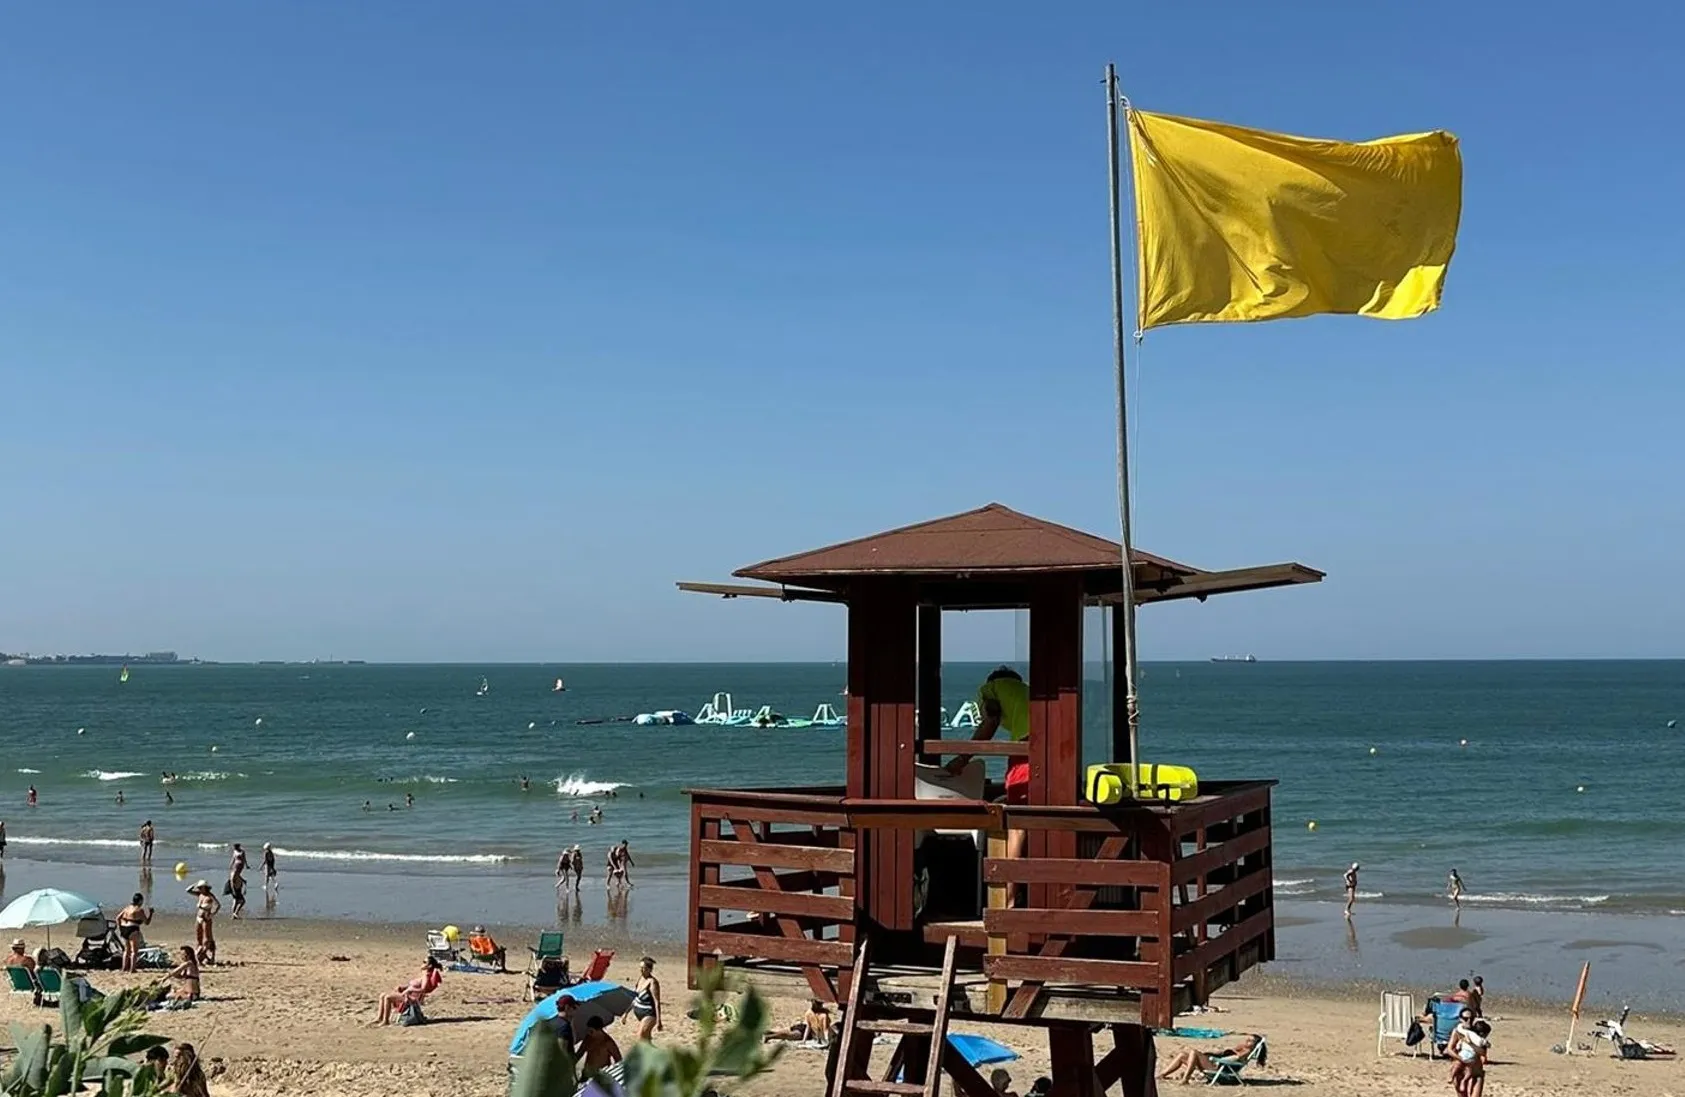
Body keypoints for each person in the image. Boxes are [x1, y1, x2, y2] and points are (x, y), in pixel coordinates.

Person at [947, 667, 1031, 867]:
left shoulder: (990, 689)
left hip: (1026, 750)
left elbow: (990, 722)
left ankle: (1009, 894)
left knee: (1017, 823)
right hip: (1049, 750)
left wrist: (962, 759)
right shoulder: (1027, 693)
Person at [1155, 1033, 1262, 1084]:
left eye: (1250, 1041)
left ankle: (1185, 1079)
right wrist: (1211, 1053)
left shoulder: (1247, 1051)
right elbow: (1224, 1052)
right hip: (1217, 1063)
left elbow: (1235, 1058)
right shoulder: (1241, 1047)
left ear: (1255, 1044)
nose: (1247, 1041)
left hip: (1219, 1067)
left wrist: (1219, 1061)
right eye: (1247, 1039)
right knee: (1183, 1054)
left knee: (1194, 1052)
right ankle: (1163, 1075)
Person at [376, 956, 443, 1025]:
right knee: (382, 995)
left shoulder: (426, 976)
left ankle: (386, 1021)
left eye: (424, 962)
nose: (422, 963)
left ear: (429, 966)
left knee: (388, 997)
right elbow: (415, 985)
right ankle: (379, 1018)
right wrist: (403, 987)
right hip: (409, 995)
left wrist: (410, 989)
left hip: (412, 999)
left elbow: (423, 989)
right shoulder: (424, 975)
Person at [117, 892, 154, 973]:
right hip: (133, 929)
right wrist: (151, 913)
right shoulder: (139, 910)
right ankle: (132, 969)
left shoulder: (127, 908)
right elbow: (147, 922)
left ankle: (124, 968)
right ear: (140, 901)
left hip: (124, 929)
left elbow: (118, 918)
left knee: (126, 950)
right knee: (134, 951)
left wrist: (120, 928)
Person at [187, 880, 220, 963]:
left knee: (208, 938)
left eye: (201, 887)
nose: (200, 889)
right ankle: (201, 954)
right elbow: (188, 890)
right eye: (199, 887)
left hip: (206, 918)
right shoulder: (199, 894)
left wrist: (212, 914)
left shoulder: (210, 896)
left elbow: (218, 905)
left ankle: (208, 955)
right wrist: (195, 883)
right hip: (199, 917)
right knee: (199, 937)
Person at [631, 956, 662, 1041]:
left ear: (649, 969)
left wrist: (659, 1020)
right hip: (640, 1014)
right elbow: (635, 997)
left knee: (640, 1037)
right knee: (646, 1040)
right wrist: (626, 1013)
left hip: (649, 1014)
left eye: (643, 968)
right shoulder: (640, 979)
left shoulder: (652, 982)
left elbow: (657, 1002)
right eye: (640, 968)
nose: (641, 970)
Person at [227, 843, 248, 919]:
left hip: (240, 865)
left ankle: (234, 915)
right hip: (235, 885)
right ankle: (235, 913)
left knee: (235, 901)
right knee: (239, 901)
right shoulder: (235, 872)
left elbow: (244, 858)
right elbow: (233, 858)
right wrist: (233, 889)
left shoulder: (242, 852)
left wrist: (246, 864)